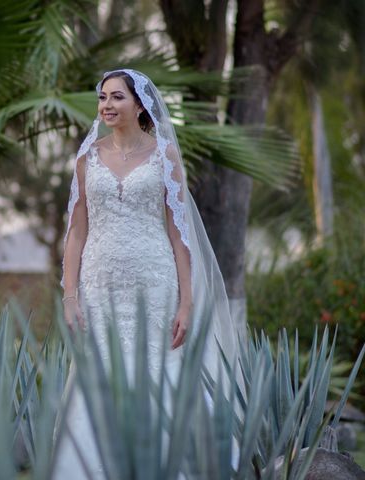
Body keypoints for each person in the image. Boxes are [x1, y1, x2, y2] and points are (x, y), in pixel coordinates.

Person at [55, 69, 240, 478]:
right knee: (99, 374)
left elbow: (180, 236)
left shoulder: (165, 157)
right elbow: (76, 233)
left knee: (162, 371)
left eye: (117, 97)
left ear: (140, 104)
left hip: (156, 282)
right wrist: (70, 296)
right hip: (99, 285)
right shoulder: (86, 159)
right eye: (103, 97)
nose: (106, 105)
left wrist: (187, 302)